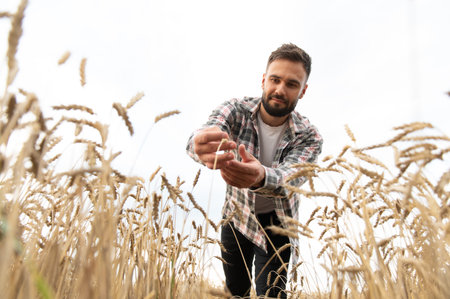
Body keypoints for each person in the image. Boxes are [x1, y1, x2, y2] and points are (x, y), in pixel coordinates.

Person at [186, 43, 322, 298]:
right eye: (275, 79)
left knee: (272, 295)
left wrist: (260, 176)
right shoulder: (236, 110)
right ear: (263, 80)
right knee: (235, 293)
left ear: (303, 91)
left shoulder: (310, 136)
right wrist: (199, 144)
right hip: (236, 218)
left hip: (277, 225)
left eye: (292, 84)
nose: (280, 90)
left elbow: (291, 177)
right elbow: (207, 131)